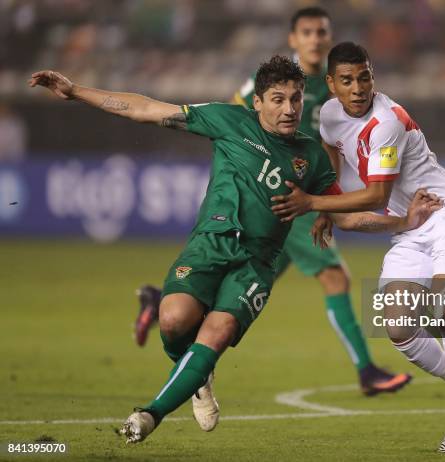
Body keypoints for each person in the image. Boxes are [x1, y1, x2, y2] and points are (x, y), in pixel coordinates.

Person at [29, 56, 442, 444]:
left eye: (296, 99)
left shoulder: (310, 157)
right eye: (278, 100)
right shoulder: (228, 120)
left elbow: (349, 217)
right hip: (210, 244)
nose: (289, 109)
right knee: (173, 320)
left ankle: (148, 415)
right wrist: (76, 90)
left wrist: (404, 222)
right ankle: (198, 375)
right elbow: (145, 109)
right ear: (257, 102)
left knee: (219, 330)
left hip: (257, 265)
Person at [134, 6, 412, 414]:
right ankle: (366, 370)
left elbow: (326, 150)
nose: (317, 39)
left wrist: (326, 199)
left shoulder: (334, 86)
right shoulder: (279, 82)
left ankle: (161, 302)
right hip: (284, 197)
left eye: (323, 32)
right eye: (308, 32)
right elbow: (242, 122)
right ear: (293, 39)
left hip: (308, 195)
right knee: (334, 276)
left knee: (255, 276)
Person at [270, 42, 445, 453]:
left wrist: (314, 203)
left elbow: (374, 196)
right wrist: (325, 204)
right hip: (413, 225)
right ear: (331, 84)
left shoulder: (386, 121)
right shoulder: (330, 115)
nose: (357, 88)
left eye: (365, 77)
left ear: (374, 77)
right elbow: (332, 157)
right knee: (399, 326)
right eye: (347, 80)